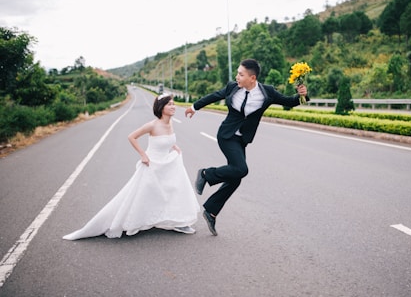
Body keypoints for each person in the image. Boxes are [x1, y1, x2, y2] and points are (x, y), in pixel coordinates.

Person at [185, 58, 308, 236]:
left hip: (242, 140)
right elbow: (215, 95)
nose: (237, 76)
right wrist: (194, 107)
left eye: (241, 74)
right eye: (237, 73)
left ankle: (211, 211)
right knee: (241, 169)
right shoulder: (232, 87)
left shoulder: (267, 92)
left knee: (236, 176)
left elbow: (290, 102)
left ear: (252, 77)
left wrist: (302, 95)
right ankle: (206, 174)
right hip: (226, 136)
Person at [63, 94, 200, 240]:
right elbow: (131, 137)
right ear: (161, 108)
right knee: (142, 195)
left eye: (173, 104)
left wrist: (174, 146)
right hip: (152, 164)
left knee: (172, 191)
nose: (173, 107)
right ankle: (125, 221)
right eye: (169, 104)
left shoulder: (171, 123)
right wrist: (143, 155)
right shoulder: (152, 125)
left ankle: (178, 221)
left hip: (167, 164)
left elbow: (165, 139)